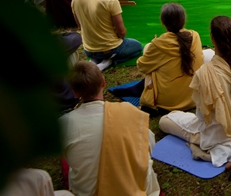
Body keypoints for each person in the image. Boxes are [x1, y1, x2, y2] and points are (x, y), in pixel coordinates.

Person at [158, 16, 231, 167]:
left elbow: (201, 117)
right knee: (179, 117)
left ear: (212, 38)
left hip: (216, 136)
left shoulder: (204, 73)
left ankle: (202, 145)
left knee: (164, 120)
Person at [60, 61, 160, 196]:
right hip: (135, 190)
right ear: (103, 82)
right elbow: (148, 143)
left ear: (74, 92)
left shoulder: (64, 123)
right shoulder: (129, 111)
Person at [71, 0, 143, 70]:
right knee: (138, 47)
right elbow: (122, 33)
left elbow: (79, 26)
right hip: (110, 49)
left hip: (88, 50)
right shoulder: (110, 1)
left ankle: (96, 59)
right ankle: (110, 60)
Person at [137, 3, 204, 112]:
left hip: (167, 103)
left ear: (163, 22)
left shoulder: (158, 44)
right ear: (184, 19)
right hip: (194, 99)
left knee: (147, 51)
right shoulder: (194, 35)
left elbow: (142, 66)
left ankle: (150, 101)